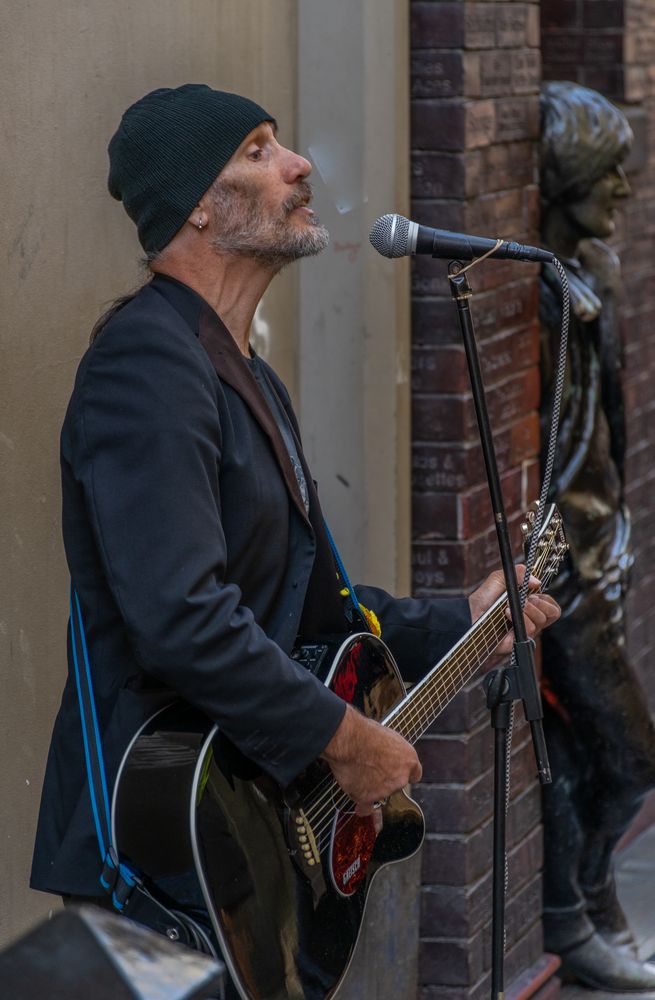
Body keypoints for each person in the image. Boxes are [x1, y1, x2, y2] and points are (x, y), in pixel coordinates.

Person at [30, 84, 559, 992]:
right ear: (197, 203)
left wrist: (455, 622)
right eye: (259, 150)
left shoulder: (243, 374)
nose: (299, 163)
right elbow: (182, 620)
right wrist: (345, 743)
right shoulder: (145, 365)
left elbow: (312, 609)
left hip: (248, 831)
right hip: (171, 844)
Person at [539, 81, 655, 992]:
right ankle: (573, 916)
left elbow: (609, 421)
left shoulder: (597, 272)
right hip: (558, 560)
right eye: (605, 168)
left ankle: (589, 907)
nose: (622, 187)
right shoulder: (532, 289)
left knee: (597, 755)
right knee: (625, 755)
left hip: (600, 540)